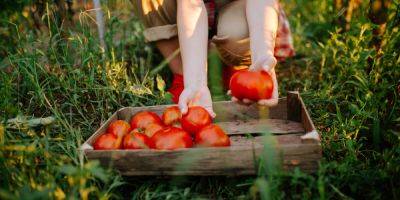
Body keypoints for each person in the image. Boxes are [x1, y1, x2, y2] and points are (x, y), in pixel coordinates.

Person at [131, 0, 295, 117]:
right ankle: (183, 75)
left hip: (238, 6)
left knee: (237, 32)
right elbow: (191, 5)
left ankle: (242, 68)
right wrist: (195, 82)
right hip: (182, 9)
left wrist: (262, 53)